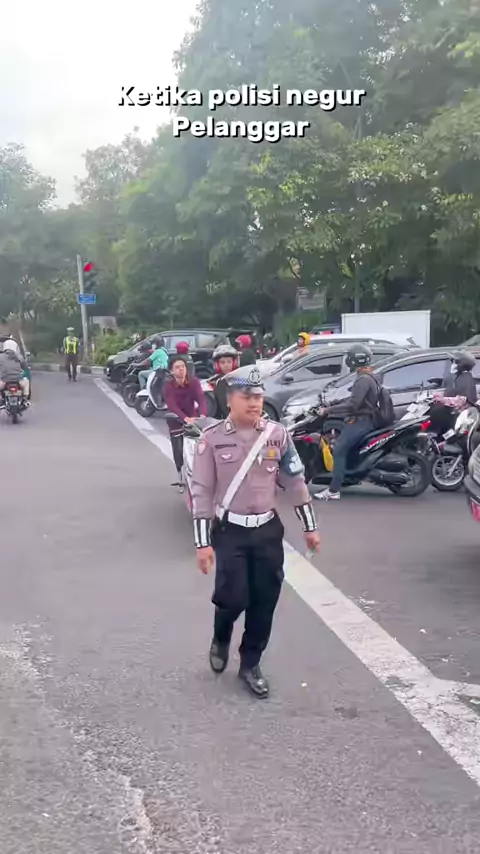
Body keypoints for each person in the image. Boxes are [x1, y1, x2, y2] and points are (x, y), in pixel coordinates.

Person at [190, 367, 321, 698]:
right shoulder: (211, 439)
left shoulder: (277, 435)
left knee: (264, 600)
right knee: (232, 597)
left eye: (258, 397)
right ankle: (221, 635)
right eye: (247, 397)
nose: (254, 403)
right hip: (230, 531)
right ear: (229, 400)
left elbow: (295, 481)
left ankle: (251, 663)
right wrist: (203, 544)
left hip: (267, 530)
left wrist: (310, 526)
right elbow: (201, 492)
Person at [314, 343, 381, 501]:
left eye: (349, 358)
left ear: (355, 360)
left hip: (363, 421)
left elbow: (353, 405)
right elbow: (355, 399)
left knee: (338, 449)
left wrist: (327, 410)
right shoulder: (368, 376)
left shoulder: (363, 379)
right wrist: (334, 403)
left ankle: (333, 490)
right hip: (366, 419)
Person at [163, 355, 207, 490]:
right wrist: (185, 418)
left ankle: (200, 476)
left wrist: (203, 415)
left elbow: (201, 399)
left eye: (183, 366)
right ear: (172, 371)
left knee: (198, 449)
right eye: (177, 367)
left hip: (193, 420)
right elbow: (172, 405)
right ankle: (180, 476)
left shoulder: (194, 382)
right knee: (178, 451)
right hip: (175, 420)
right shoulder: (168, 386)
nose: (181, 369)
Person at [208, 343, 239, 418]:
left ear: (234, 363)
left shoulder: (241, 380)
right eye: (222, 362)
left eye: (229, 362)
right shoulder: (217, 382)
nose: (226, 365)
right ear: (217, 365)